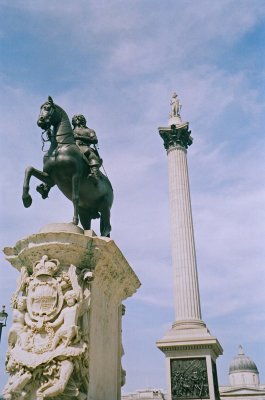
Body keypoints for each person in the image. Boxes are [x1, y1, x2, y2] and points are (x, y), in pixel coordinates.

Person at [72, 114, 102, 180]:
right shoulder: (70, 131)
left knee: (91, 154)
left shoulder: (89, 131)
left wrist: (79, 137)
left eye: (79, 118)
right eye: (75, 119)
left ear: (83, 121)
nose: (77, 120)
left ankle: (95, 174)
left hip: (84, 147)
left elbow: (94, 140)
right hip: (71, 147)